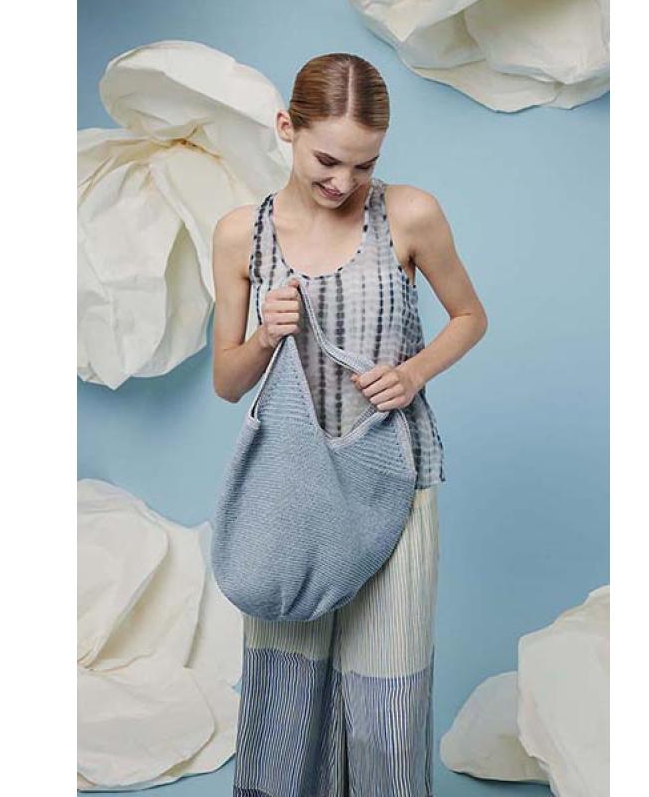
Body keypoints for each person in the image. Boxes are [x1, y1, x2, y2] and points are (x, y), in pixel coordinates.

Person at [211, 52, 487, 797]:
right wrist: (265, 336)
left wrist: (414, 373)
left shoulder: (409, 214)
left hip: (394, 478)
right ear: (286, 128)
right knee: (285, 695)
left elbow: (470, 316)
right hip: (291, 489)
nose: (344, 183)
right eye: (327, 160)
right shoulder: (242, 235)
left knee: (386, 700)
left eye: (364, 165)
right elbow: (227, 383)